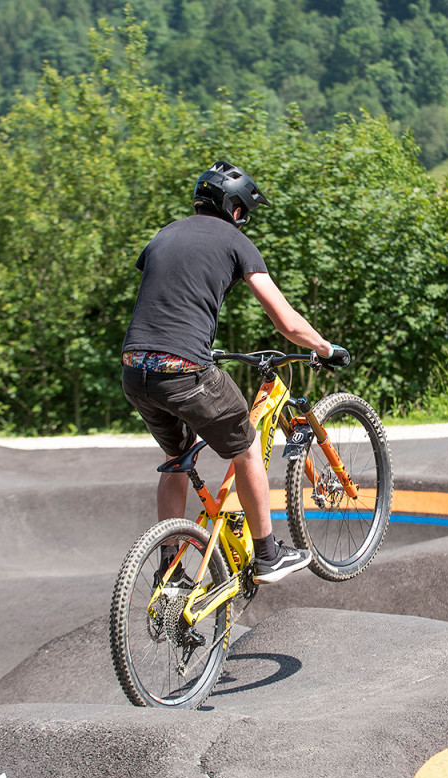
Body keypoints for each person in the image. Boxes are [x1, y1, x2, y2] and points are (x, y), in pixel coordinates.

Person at [121, 161, 350, 584]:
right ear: (236, 209)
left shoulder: (163, 235)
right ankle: (267, 554)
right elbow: (286, 321)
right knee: (245, 446)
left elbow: (168, 301)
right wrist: (324, 347)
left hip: (136, 369)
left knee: (176, 458)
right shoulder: (235, 240)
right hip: (185, 369)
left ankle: (169, 573)